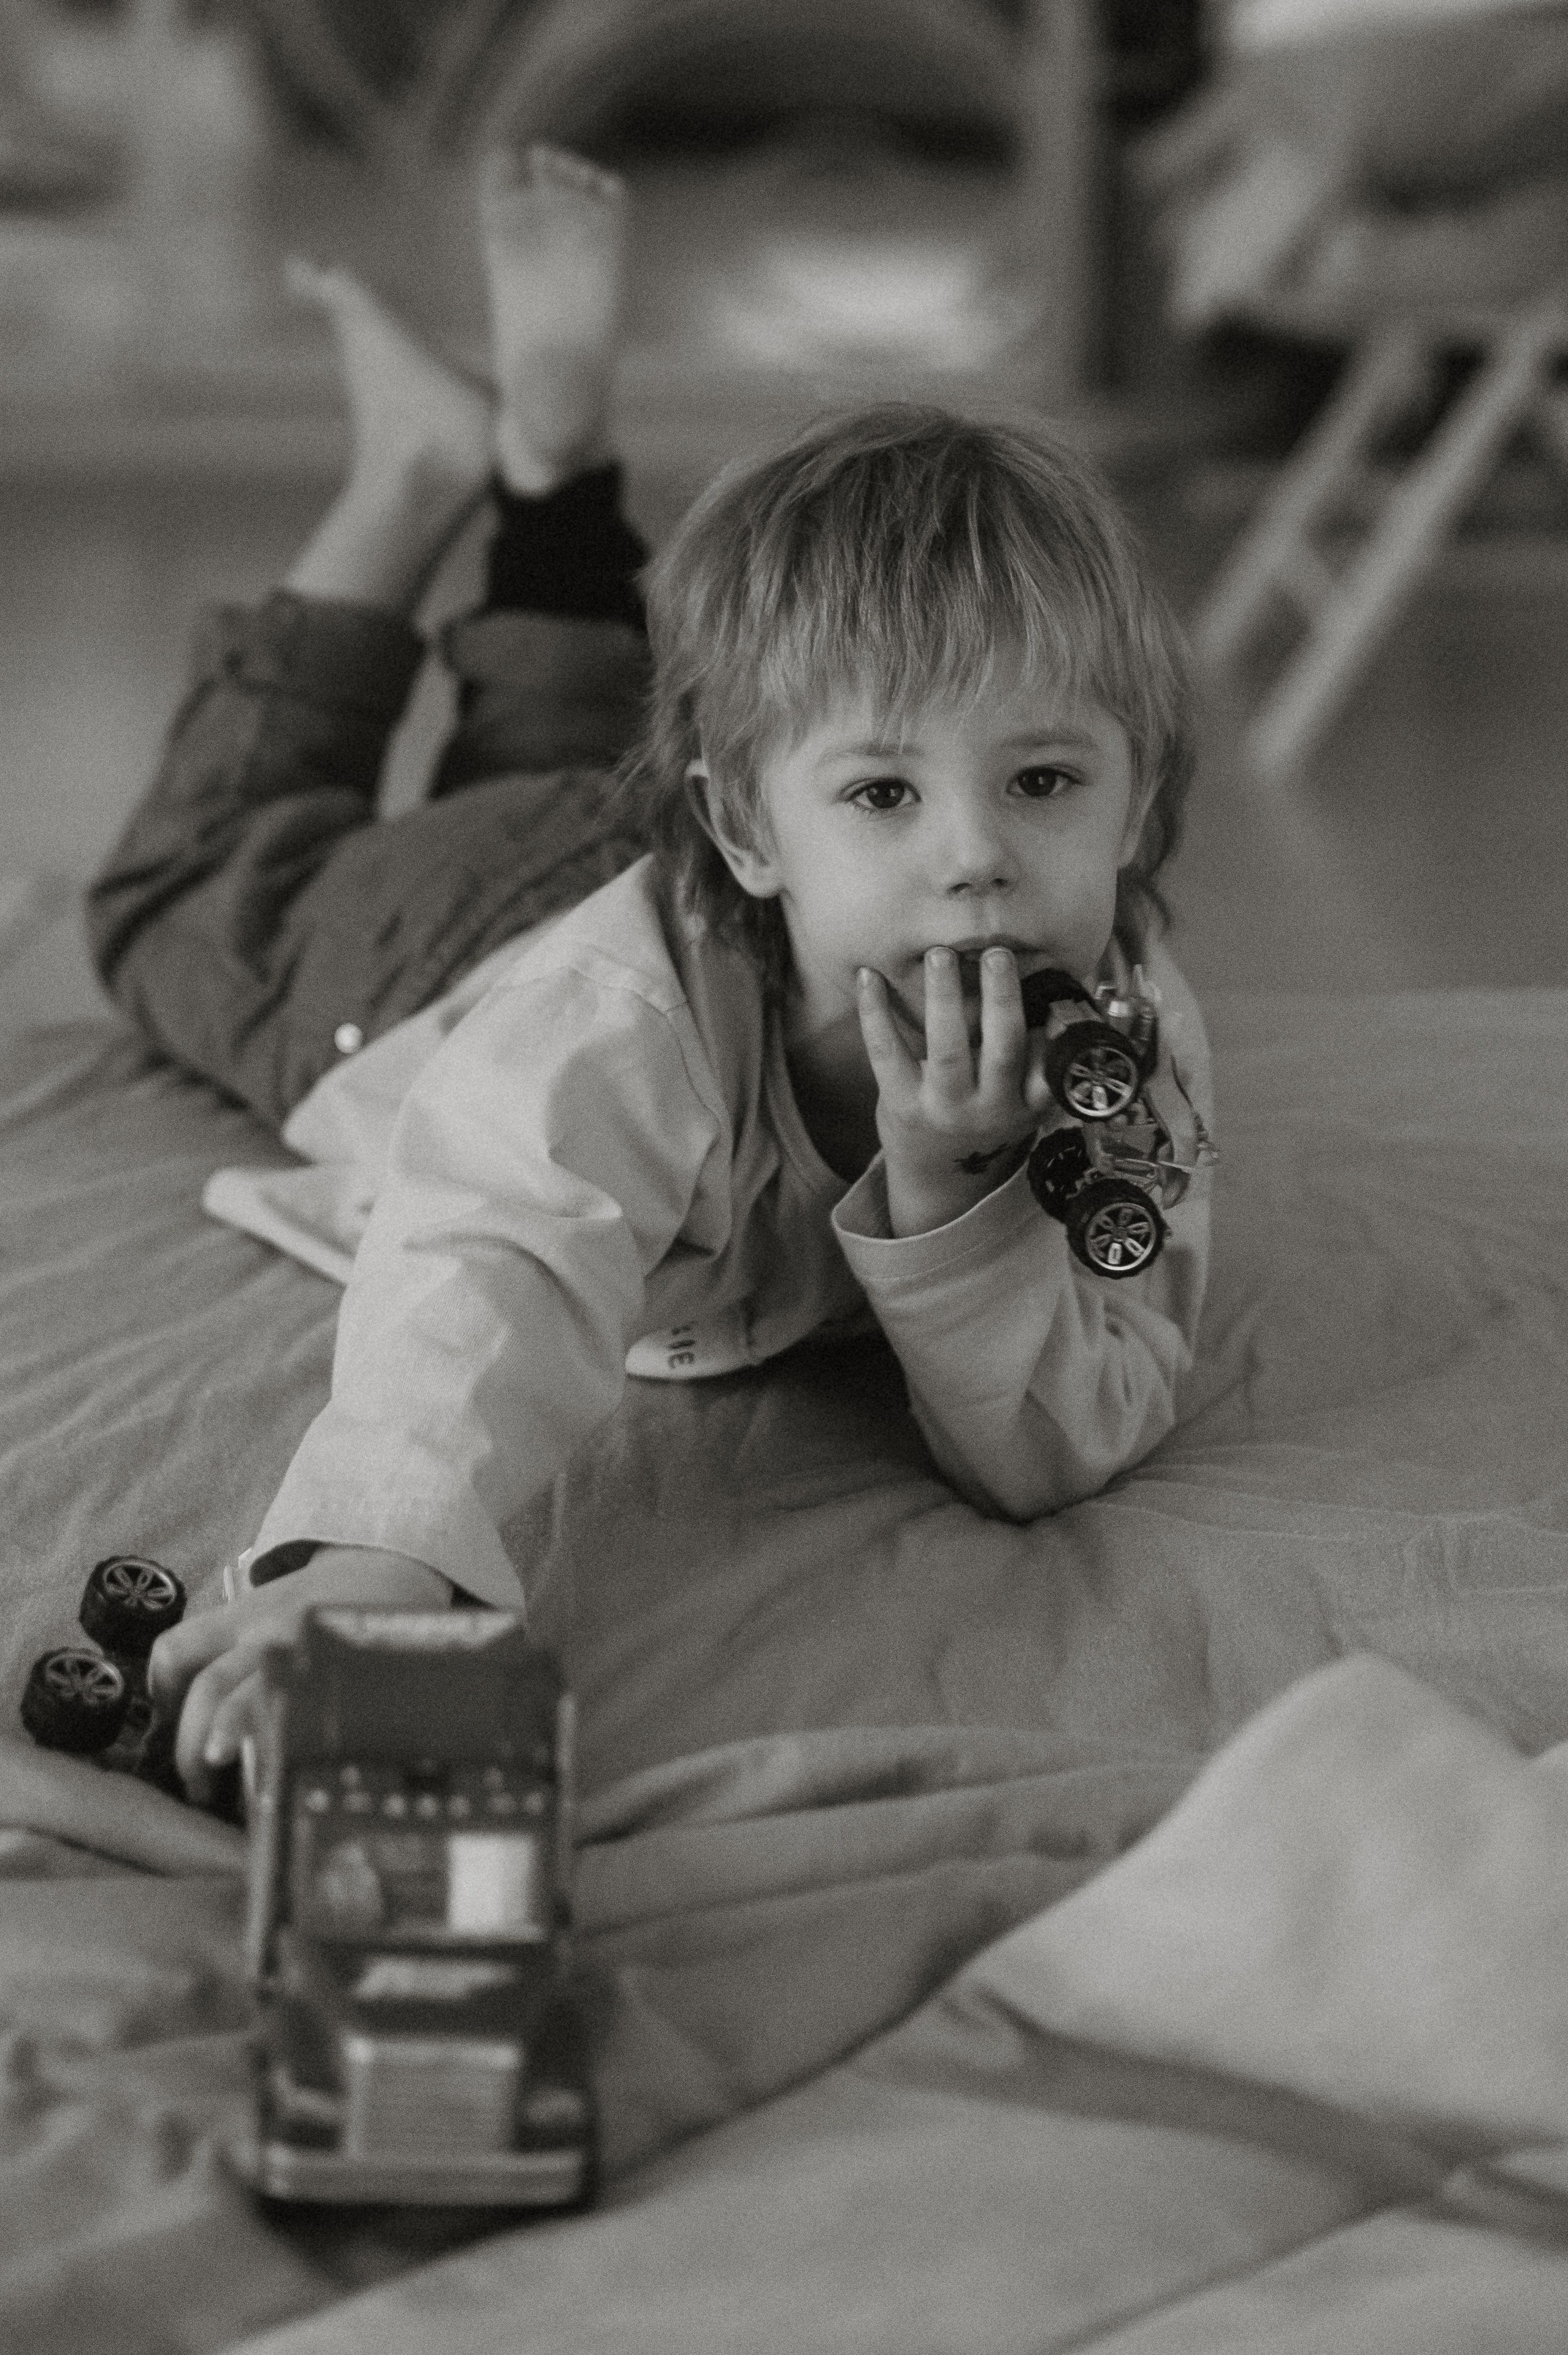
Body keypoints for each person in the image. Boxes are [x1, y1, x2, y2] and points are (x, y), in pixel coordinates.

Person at [115, 148, 1214, 1802]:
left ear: (1139, 801)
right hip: (453, 948)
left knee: (581, 738)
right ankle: (412, 479)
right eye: (889, 795)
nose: (977, 857)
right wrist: (373, 1559)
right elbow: (490, 1257)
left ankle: (552, 468)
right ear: (749, 831)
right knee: (187, 903)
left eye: (1045, 781)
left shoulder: (1124, 1046)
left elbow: (1073, 1429)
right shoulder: (609, 1030)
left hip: (667, 827)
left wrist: (958, 1195)